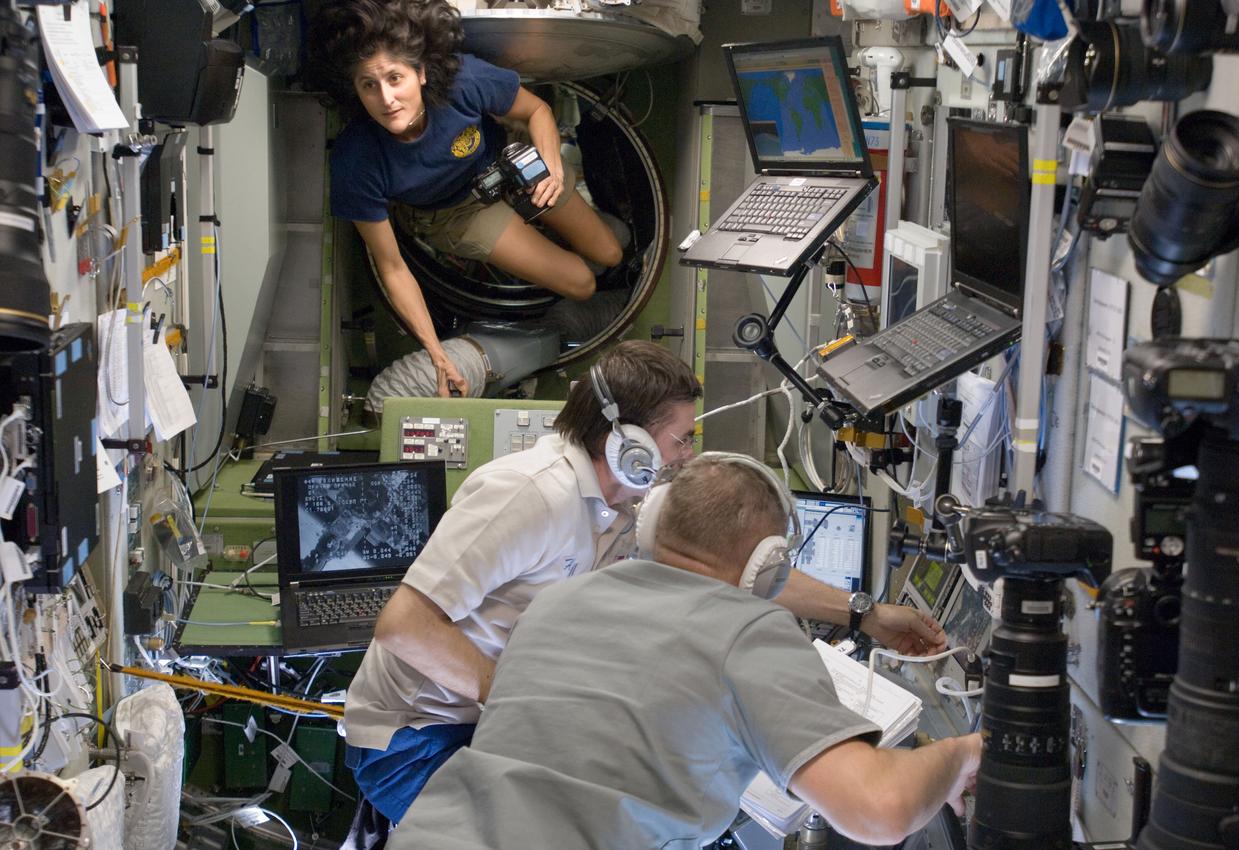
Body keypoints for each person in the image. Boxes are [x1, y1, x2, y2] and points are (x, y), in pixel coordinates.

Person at [342, 340, 946, 829]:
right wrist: (516, 695)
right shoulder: (530, 494)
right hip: (415, 738)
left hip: (491, 719)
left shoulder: (628, 503)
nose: (686, 453)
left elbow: (729, 569)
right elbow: (404, 626)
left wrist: (861, 614)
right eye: (681, 437)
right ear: (626, 441)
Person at [389, 453, 981, 849]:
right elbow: (878, 808)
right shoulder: (749, 630)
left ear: (649, 531)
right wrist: (962, 754)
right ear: (770, 566)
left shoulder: (557, 601)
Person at [311, 0, 624, 398]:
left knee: (610, 253)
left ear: (421, 73)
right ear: (356, 91)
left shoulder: (463, 81)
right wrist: (437, 353)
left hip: (507, 163)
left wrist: (552, 168)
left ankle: (557, 238)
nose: (386, 98)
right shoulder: (357, 160)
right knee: (581, 284)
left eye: (395, 78)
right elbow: (392, 269)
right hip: (455, 212)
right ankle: (548, 273)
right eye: (368, 85)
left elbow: (537, 110)